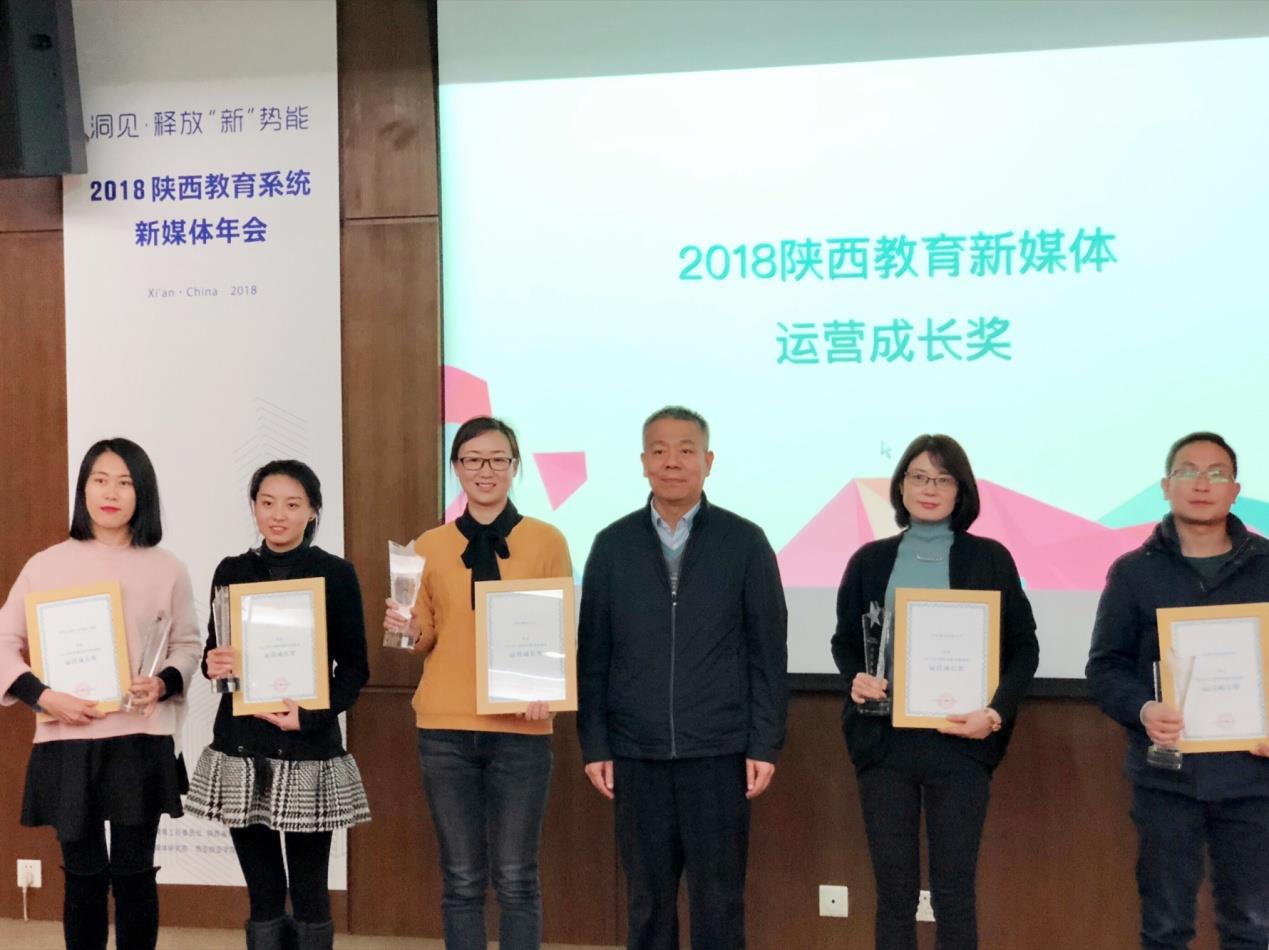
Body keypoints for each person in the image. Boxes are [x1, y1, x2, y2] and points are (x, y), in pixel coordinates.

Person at [577, 405, 788, 950]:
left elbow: (768, 651)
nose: (672, 462)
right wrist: (595, 742)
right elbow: (593, 653)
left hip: (718, 752)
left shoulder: (745, 542)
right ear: (643, 462)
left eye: (686, 450)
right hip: (636, 753)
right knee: (647, 902)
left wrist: (764, 742)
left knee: (719, 901)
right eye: (660, 451)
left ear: (708, 461)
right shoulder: (612, 544)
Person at [831, 433, 1038, 950]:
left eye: (943, 479)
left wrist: (995, 714)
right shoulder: (869, 560)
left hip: (960, 744)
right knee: (894, 895)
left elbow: (1024, 647)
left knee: (954, 893)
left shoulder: (990, 558)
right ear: (900, 486)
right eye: (919, 477)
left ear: (961, 490)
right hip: (885, 745)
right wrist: (856, 677)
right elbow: (844, 642)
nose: (930, 489)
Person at [0, 438, 202, 950]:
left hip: (140, 736)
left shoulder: (168, 567)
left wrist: (163, 682)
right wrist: (43, 696)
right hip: (67, 739)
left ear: (143, 492)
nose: (111, 493)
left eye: (125, 482)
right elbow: (4, 641)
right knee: (83, 876)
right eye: (100, 480)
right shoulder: (45, 565)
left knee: (135, 874)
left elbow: (187, 646)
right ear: (83, 489)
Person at [384, 416, 572, 950]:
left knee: (517, 878)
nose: (485, 470)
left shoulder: (546, 539)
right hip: (445, 730)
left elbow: (559, 627)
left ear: (515, 467)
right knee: (462, 879)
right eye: (472, 460)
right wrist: (408, 629)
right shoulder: (427, 545)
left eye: (497, 459)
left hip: (522, 728)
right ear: (456, 468)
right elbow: (422, 636)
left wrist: (549, 692)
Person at [1086, 432, 1269, 949]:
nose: (1202, 483)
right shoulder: (1134, 573)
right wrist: (1143, 709)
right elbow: (1105, 668)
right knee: (1166, 927)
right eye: (1188, 471)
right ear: (1166, 487)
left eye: (1216, 473)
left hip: (1255, 778)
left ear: (1235, 490)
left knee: (1253, 926)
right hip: (1167, 779)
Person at [185, 460, 370, 950]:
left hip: (307, 749)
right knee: (262, 892)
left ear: (312, 511)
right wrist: (213, 664)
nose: (278, 515)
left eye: (292, 504)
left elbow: (355, 669)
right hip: (242, 749)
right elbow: (215, 655)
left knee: (309, 891)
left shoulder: (335, 574)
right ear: (253, 508)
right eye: (267, 503)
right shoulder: (231, 571)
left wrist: (310, 716)